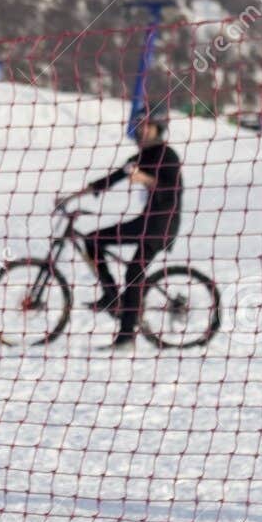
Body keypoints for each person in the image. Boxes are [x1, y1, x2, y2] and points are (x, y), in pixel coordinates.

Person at [58, 108, 182, 351]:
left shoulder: (167, 155)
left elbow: (171, 189)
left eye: (147, 126)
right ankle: (111, 295)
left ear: (157, 128)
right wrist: (70, 197)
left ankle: (126, 337)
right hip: (146, 221)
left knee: (134, 274)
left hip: (161, 224)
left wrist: (145, 179)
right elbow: (110, 179)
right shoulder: (140, 157)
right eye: (139, 126)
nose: (141, 130)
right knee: (93, 240)